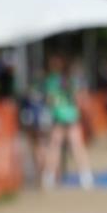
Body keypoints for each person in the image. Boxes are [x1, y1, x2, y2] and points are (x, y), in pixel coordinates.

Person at [41, 55, 94, 190]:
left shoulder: (52, 81)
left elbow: (50, 100)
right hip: (69, 117)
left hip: (62, 117)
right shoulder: (70, 80)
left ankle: (50, 177)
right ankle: (85, 176)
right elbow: (79, 98)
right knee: (74, 147)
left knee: (56, 148)